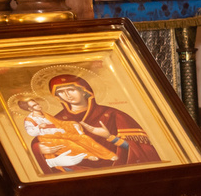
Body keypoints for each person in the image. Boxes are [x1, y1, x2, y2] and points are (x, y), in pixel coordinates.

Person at [13, 72, 160, 174]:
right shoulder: (56, 119)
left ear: (85, 91)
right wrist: (40, 150)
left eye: (71, 89)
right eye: (61, 92)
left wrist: (110, 137)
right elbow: (39, 141)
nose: (67, 95)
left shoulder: (112, 115)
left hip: (116, 171)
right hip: (74, 172)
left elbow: (144, 150)